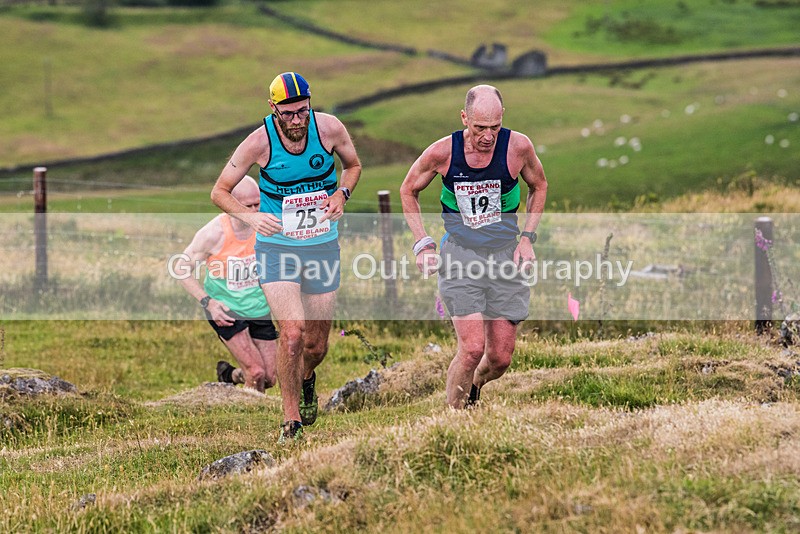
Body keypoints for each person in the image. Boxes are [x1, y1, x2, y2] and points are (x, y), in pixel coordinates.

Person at [211, 72, 361, 442]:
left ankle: (308, 377)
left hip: (322, 245)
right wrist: (251, 216)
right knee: (292, 334)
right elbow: (220, 191)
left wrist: (342, 193)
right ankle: (290, 422)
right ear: (273, 108)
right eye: (289, 113)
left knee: (315, 345)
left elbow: (353, 166)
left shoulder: (329, 129)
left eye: (303, 112)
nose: (297, 120)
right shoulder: (258, 142)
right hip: (277, 248)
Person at [400, 84, 548, 409]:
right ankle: (452, 423)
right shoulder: (443, 152)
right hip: (459, 255)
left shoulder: (517, 147)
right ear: (464, 118)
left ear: (502, 119)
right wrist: (422, 244)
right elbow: (408, 189)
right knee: (471, 349)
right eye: (480, 128)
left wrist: (527, 239)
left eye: (494, 127)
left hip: (506, 256)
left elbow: (539, 184)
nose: (487, 136)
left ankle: (475, 386)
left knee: (500, 358)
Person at [176, 176, 277, 393]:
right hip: (225, 310)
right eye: (247, 206)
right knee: (256, 372)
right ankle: (251, 421)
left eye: (257, 203)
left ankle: (229, 375)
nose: (254, 210)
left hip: (258, 308)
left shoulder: (266, 223)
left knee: (270, 377)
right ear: (230, 204)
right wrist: (208, 302)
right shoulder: (213, 234)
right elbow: (181, 269)